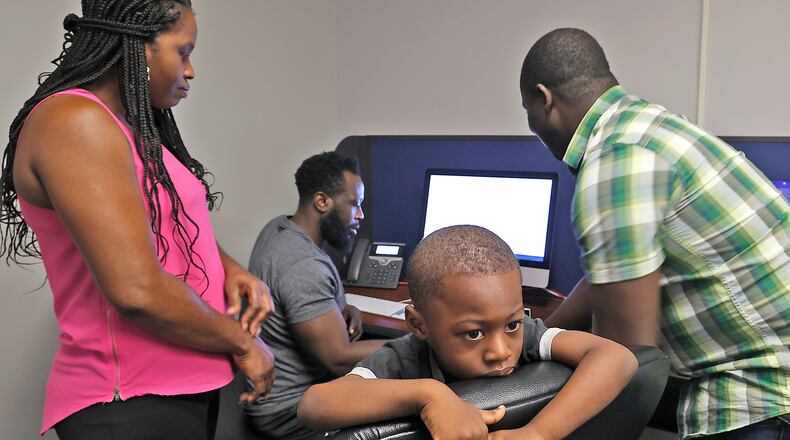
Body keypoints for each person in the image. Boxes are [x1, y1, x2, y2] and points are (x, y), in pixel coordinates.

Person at [0, 1, 276, 439]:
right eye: (183, 52)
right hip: (128, 403)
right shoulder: (74, 122)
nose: (191, 70)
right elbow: (136, 291)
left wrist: (230, 269)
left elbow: (162, 221)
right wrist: (243, 342)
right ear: (139, 47)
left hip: (175, 392)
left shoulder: (124, 126)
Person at [520, 28, 790, 439]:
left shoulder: (616, 161)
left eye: (528, 111)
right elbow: (609, 278)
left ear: (545, 99)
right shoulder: (650, 129)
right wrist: (538, 334)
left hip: (758, 394)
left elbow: (628, 358)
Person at [298, 225, 638, 440]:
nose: (501, 351)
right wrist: (429, 395)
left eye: (512, 324)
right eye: (474, 334)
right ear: (419, 325)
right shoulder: (405, 358)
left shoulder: (530, 337)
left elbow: (618, 358)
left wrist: (539, 433)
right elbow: (314, 405)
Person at [244, 151, 388, 440]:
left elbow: (298, 294)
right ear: (322, 201)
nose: (361, 215)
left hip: (275, 398)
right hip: (291, 411)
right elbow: (338, 359)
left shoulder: (279, 228)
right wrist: (420, 341)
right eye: (354, 204)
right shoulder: (302, 264)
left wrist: (342, 306)